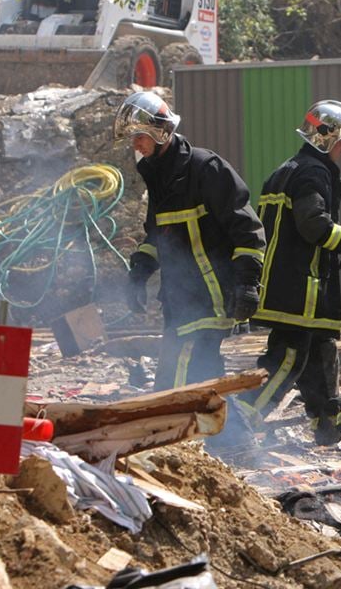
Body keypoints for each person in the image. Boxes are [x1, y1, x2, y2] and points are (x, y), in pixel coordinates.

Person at [114, 91, 266, 449]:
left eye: (139, 136)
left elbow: (247, 228)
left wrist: (247, 282)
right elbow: (158, 235)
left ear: (160, 131)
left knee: (176, 377)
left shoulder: (205, 168)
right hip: (180, 299)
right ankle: (238, 446)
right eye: (132, 138)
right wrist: (140, 270)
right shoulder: (158, 176)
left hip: (213, 295)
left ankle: (169, 447)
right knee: (203, 376)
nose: (135, 145)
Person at [242, 101, 341, 445]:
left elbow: (298, 238)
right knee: (288, 360)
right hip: (298, 290)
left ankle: (330, 424)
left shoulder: (286, 170)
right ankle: (239, 421)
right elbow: (314, 227)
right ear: (328, 138)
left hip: (297, 285)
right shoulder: (312, 172)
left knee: (322, 353)